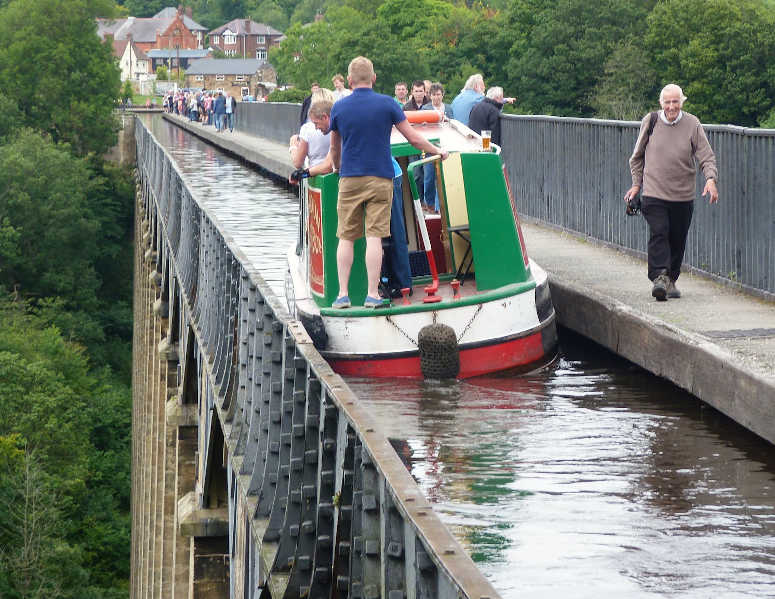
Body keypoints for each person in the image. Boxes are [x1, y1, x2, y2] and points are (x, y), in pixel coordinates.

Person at [328, 56, 447, 309]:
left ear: (349, 81)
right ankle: (372, 294)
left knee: (346, 237)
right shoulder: (387, 104)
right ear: (374, 78)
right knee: (374, 237)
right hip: (380, 178)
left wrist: (338, 168)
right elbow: (414, 139)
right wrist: (438, 152)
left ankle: (342, 295)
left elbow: (334, 148)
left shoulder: (339, 108)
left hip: (349, 178)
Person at [624, 83, 718, 301]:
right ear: (661, 103)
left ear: (682, 102)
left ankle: (670, 279)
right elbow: (636, 157)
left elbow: (706, 156)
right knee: (660, 231)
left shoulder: (692, 124)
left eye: (675, 102)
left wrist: (711, 180)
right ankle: (659, 277)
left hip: (683, 195)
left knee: (677, 238)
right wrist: (636, 185)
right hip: (654, 192)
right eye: (667, 102)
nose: (671, 106)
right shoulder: (651, 121)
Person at [420, 83, 453, 211]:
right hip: (430, 146)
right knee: (429, 177)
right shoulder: (425, 108)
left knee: (443, 177)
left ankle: (441, 206)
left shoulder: (449, 109)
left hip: (445, 145)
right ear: (430, 96)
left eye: (438, 94)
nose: (436, 97)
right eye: (433, 95)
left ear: (443, 95)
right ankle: (429, 203)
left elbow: (453, 124)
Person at [289, 88, 336, 173]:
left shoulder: (307, 128)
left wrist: (293, 146)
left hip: (316, 176)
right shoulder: (339, 127)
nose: (316, 127)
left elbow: (298, 162)